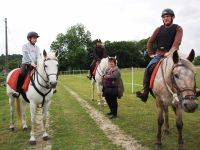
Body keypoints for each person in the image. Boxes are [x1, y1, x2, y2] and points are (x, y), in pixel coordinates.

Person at [136, 8, 183, 103]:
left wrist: (171, 52)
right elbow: (150, 42)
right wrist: (150, 53)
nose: (166, 18)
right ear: (162, 19)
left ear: (172, 17)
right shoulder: (158, 29)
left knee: (185, 67)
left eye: (168, 16)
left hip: (173, 55)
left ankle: (192, 90)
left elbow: (176, 42)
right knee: (148, 68)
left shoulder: (178, 28)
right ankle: (145, 92)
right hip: (159, 55)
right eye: (164, 17)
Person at [12, 31, 40, 97]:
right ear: (29, 38)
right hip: (26, 64)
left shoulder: (37, 48)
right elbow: (26, 55)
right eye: (34, 38)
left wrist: (39, 63)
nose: (36, 39)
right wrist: (31, 63)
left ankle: (49, 89)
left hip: (35, 65)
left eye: (36, 38)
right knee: (22, 74)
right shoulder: (25, 46)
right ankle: (17, 91)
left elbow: (38, 56)